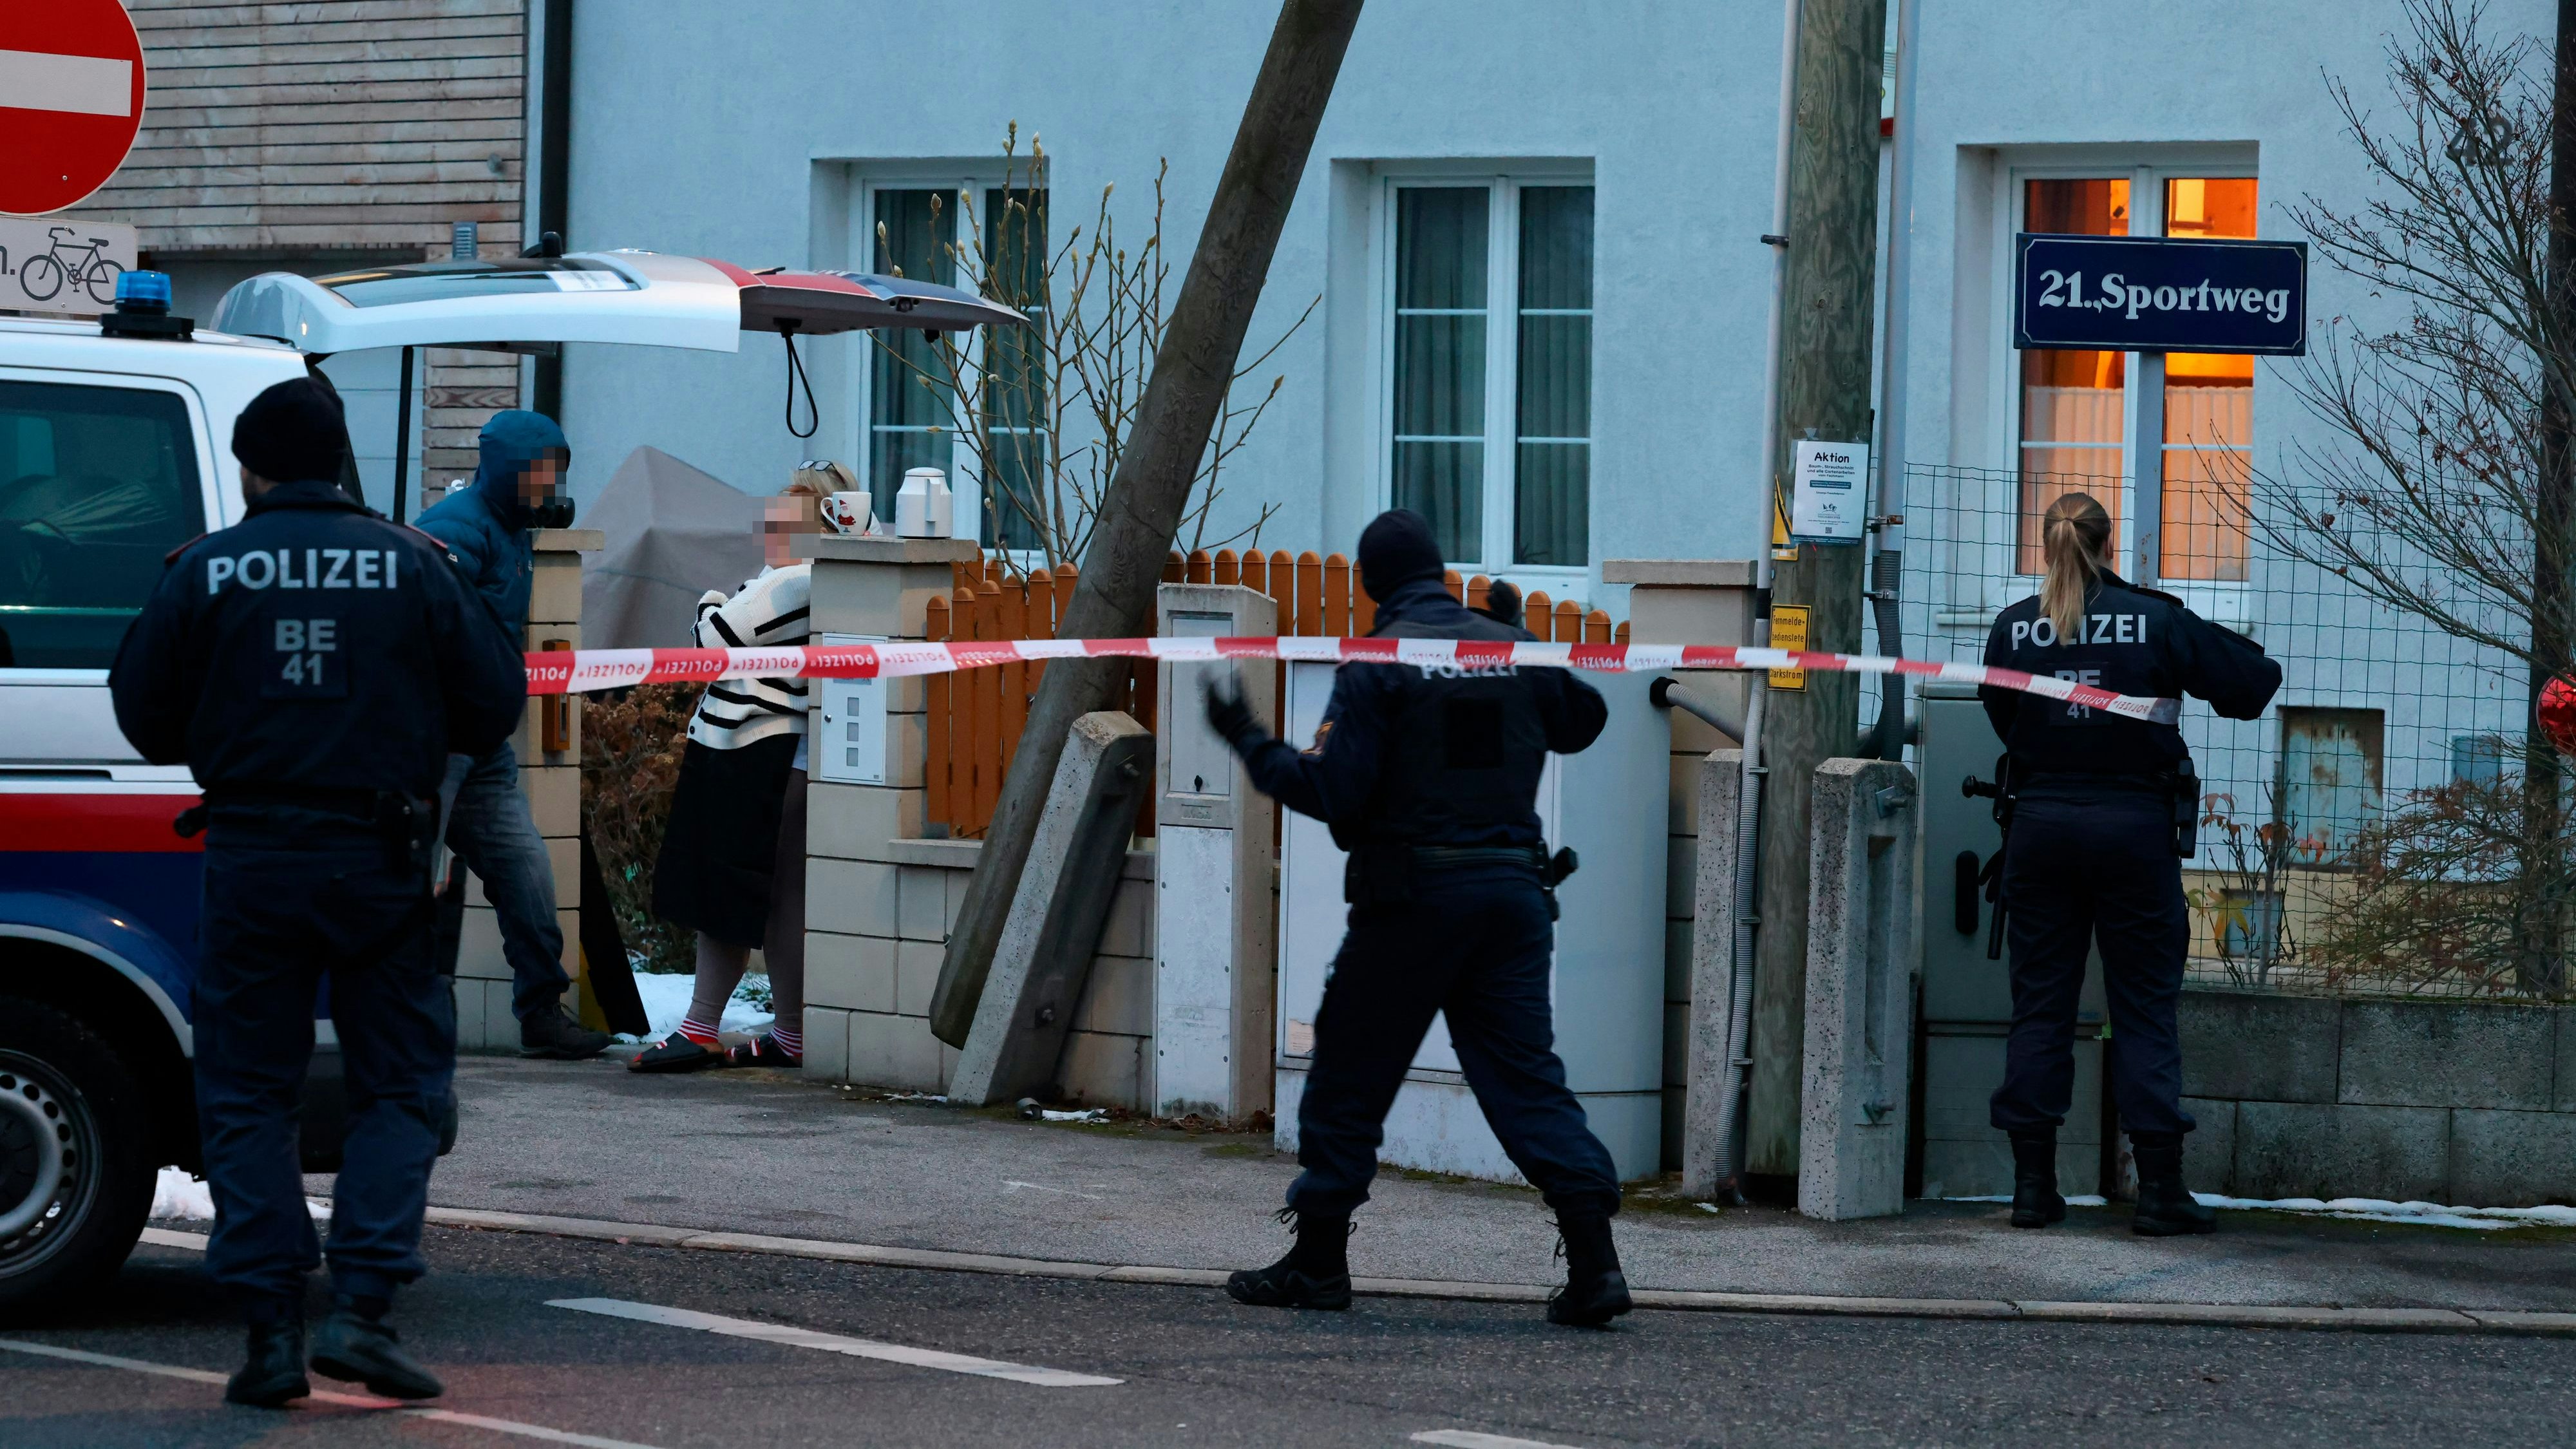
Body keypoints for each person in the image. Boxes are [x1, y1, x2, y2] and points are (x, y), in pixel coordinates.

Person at [108, 377, 527, 1406]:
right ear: (339, 464)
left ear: (251, 469)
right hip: (380, 859)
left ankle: (268, 1336)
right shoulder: (416, 567)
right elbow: (495, 701)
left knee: (249, 1092)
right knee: (400, 1087)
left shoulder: (203, 570)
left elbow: (145, 717)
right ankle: (365, 1309)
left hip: (252, 857)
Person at [1203, 508, 1632, 1327]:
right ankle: (1595, 1267)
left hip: (1412, 905)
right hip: (1511, 904)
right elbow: (1585, 721)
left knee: (1346, 1082)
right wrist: (1519, 637)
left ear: (1369, 584)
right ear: (1440, 570)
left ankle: (1318, 1267)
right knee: (1527, 1084)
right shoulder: (1500, 646)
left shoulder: (1382, 659)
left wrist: (1250, 741)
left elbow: (1332, 791)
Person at [1980, 491, 2281, 1236]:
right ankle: (2158, 1192)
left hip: (2041, 831)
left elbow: (2004, 722)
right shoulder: (2154, 617)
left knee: (2041, 1006)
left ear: (2046, 546)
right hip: (2132, 832)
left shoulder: (2014, 626)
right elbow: (2253, 684)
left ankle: (2031, 1189)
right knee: (2143, 1006)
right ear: (2108, 545)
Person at [412, 411, 609, 1061]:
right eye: (537, 474)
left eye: (556, 474)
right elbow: (420, 621)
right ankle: (399, 1017)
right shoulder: (453, 531)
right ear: (505, 471)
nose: (548, 488)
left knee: (526, 872)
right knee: (409, 884)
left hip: (484, 748)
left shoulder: (510, 525)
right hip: (430, 746)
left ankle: (542, 1014)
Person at [630, 472, 827, 1072]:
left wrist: (710, 598)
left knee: (729, 886)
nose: (769, 530)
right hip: (779, 751)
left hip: (754, 749)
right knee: (779, 897)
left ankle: (699, 1029)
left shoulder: (796, 579)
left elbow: (714, 640)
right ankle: (789, 1033)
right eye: (769, 519)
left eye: (784, 521)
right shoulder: (802, 577)